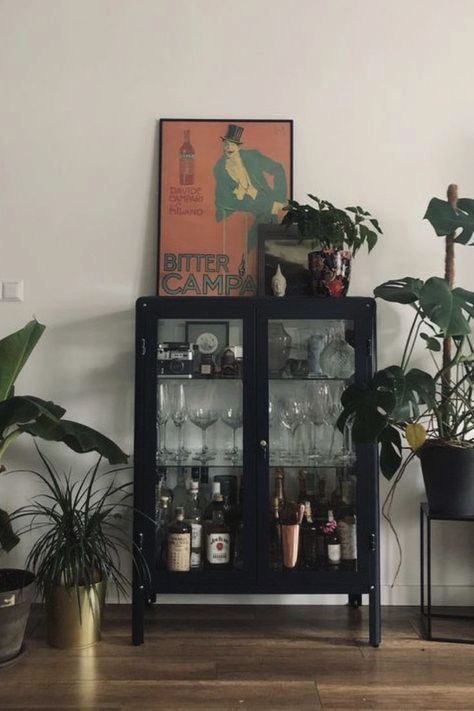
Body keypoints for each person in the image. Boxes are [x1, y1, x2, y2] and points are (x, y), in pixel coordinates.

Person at [213, 124, 288, 253]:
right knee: (269, 209)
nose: (228, 148)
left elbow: (278, 169)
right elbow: (221, 196)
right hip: (240, 201)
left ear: (238, 146)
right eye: (226, 144)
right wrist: (236, 194)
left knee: (268, 209)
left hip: (262, 197)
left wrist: (279, 198)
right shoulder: (219, 168)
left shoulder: (252, 157)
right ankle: (253, 251)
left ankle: (248, 252)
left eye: (232, 144)